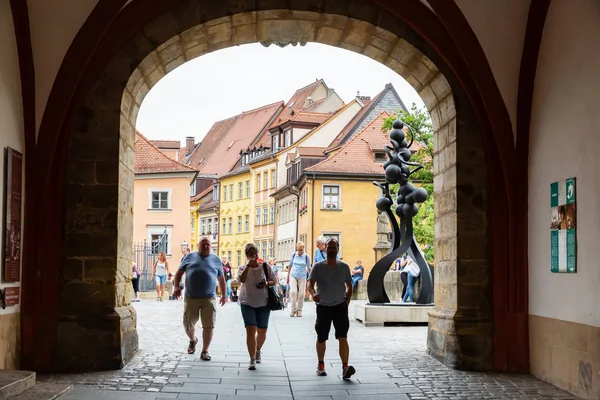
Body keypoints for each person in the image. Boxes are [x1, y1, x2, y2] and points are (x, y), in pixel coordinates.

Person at [307, 238, 355, 380]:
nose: (332, 249)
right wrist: (314, 294)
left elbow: (349, 285)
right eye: (329, 247)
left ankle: (345, 367)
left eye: (334, 247)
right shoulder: (318, 267)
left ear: (338, 249)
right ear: (325, 249)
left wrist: (347, 301)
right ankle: (320, 365)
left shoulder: (344, 267)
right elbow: (310, 284)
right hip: (323, 307)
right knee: (321, 337)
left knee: (343, 337)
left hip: (340, 306)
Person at [173, 237, 227, 360]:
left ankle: (205, 351)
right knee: (188, 324)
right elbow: (179, 273)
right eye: (203, 244)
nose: (206, 246)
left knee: (209, 325)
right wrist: (176, 286)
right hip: (191, 297)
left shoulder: (216, 259)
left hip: (209, 297)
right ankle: (193, 340)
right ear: (198, 246)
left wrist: (224, 295)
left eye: (208, 244)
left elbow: (221, 278)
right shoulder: (189, 257)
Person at [238, 243, 276, 370]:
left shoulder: (265, 266)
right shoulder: (243, 267)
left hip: (263, 303)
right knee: (250, 329)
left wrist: (265, 284)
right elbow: (241, 280)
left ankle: (258, 349)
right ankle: (252, 358)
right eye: (251, 254)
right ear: (247, 256)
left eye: (255, 253)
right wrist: (248, 266)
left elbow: (274, 281)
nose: (254, 256)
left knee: (262, 330)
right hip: (247, 302)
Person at [287, 241, 311, 317]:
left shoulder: (307, 256)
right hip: (293, 275)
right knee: (293, 292)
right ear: (297, 249)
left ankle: (299, 310)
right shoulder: (294, 255)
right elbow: (290, 265)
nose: (300, 252)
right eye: (299, 250)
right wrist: (288, 276)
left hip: (302, 276)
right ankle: (293, 310)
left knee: (301, 294)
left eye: (301, 250)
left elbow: (309, 268)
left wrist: (310, 279)